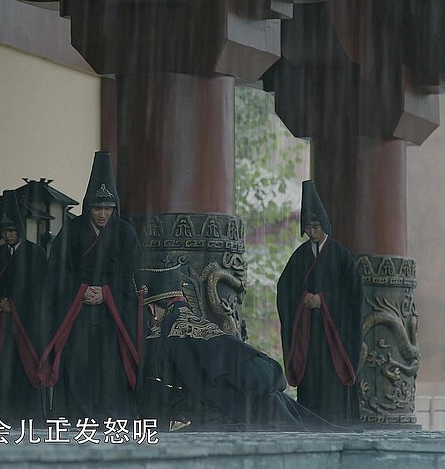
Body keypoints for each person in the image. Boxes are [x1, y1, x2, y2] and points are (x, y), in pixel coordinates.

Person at [134, 267, 341, 431]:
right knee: (313, 429)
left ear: (152, 308)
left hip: (245, 401)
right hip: (264, 383)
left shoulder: (161, 336)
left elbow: (156, 393)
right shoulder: (193, 321)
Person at [38, 151, 143, 423]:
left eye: (108, 208)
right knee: (77, 364)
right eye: (97, 208)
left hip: (113, 316)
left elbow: (133, 274)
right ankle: (75, 418)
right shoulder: (72, 230)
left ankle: (113, 419)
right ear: (88, 207)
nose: (103, 214)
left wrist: (106, 293)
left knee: (111, 367)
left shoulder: (125, 233)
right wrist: (80, 290)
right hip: (78, 312)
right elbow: (57, 271)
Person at [277, 180, 363, 426]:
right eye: (307, 227)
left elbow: (354, 293)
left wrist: (324, 300)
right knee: (311, 377)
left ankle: (339, 422)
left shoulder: (341, 256)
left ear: (324, 225)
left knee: (333, 378)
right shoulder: (299, 256)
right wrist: (303, 298)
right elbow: (284, 289)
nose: (311, 232)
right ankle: (310, 420)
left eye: (315, 227)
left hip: (335, 335)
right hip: (308, 333)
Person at [0, 190, 47, 425]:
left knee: (26, 366)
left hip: (27, 325)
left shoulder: (35, 254)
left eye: (12, 230)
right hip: (2, 324)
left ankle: (29, 416)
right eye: (5, 231)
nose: (8, 235)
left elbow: (40, 288)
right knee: (1, 366)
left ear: (21, 230)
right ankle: (1, 415)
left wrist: (15, 305)